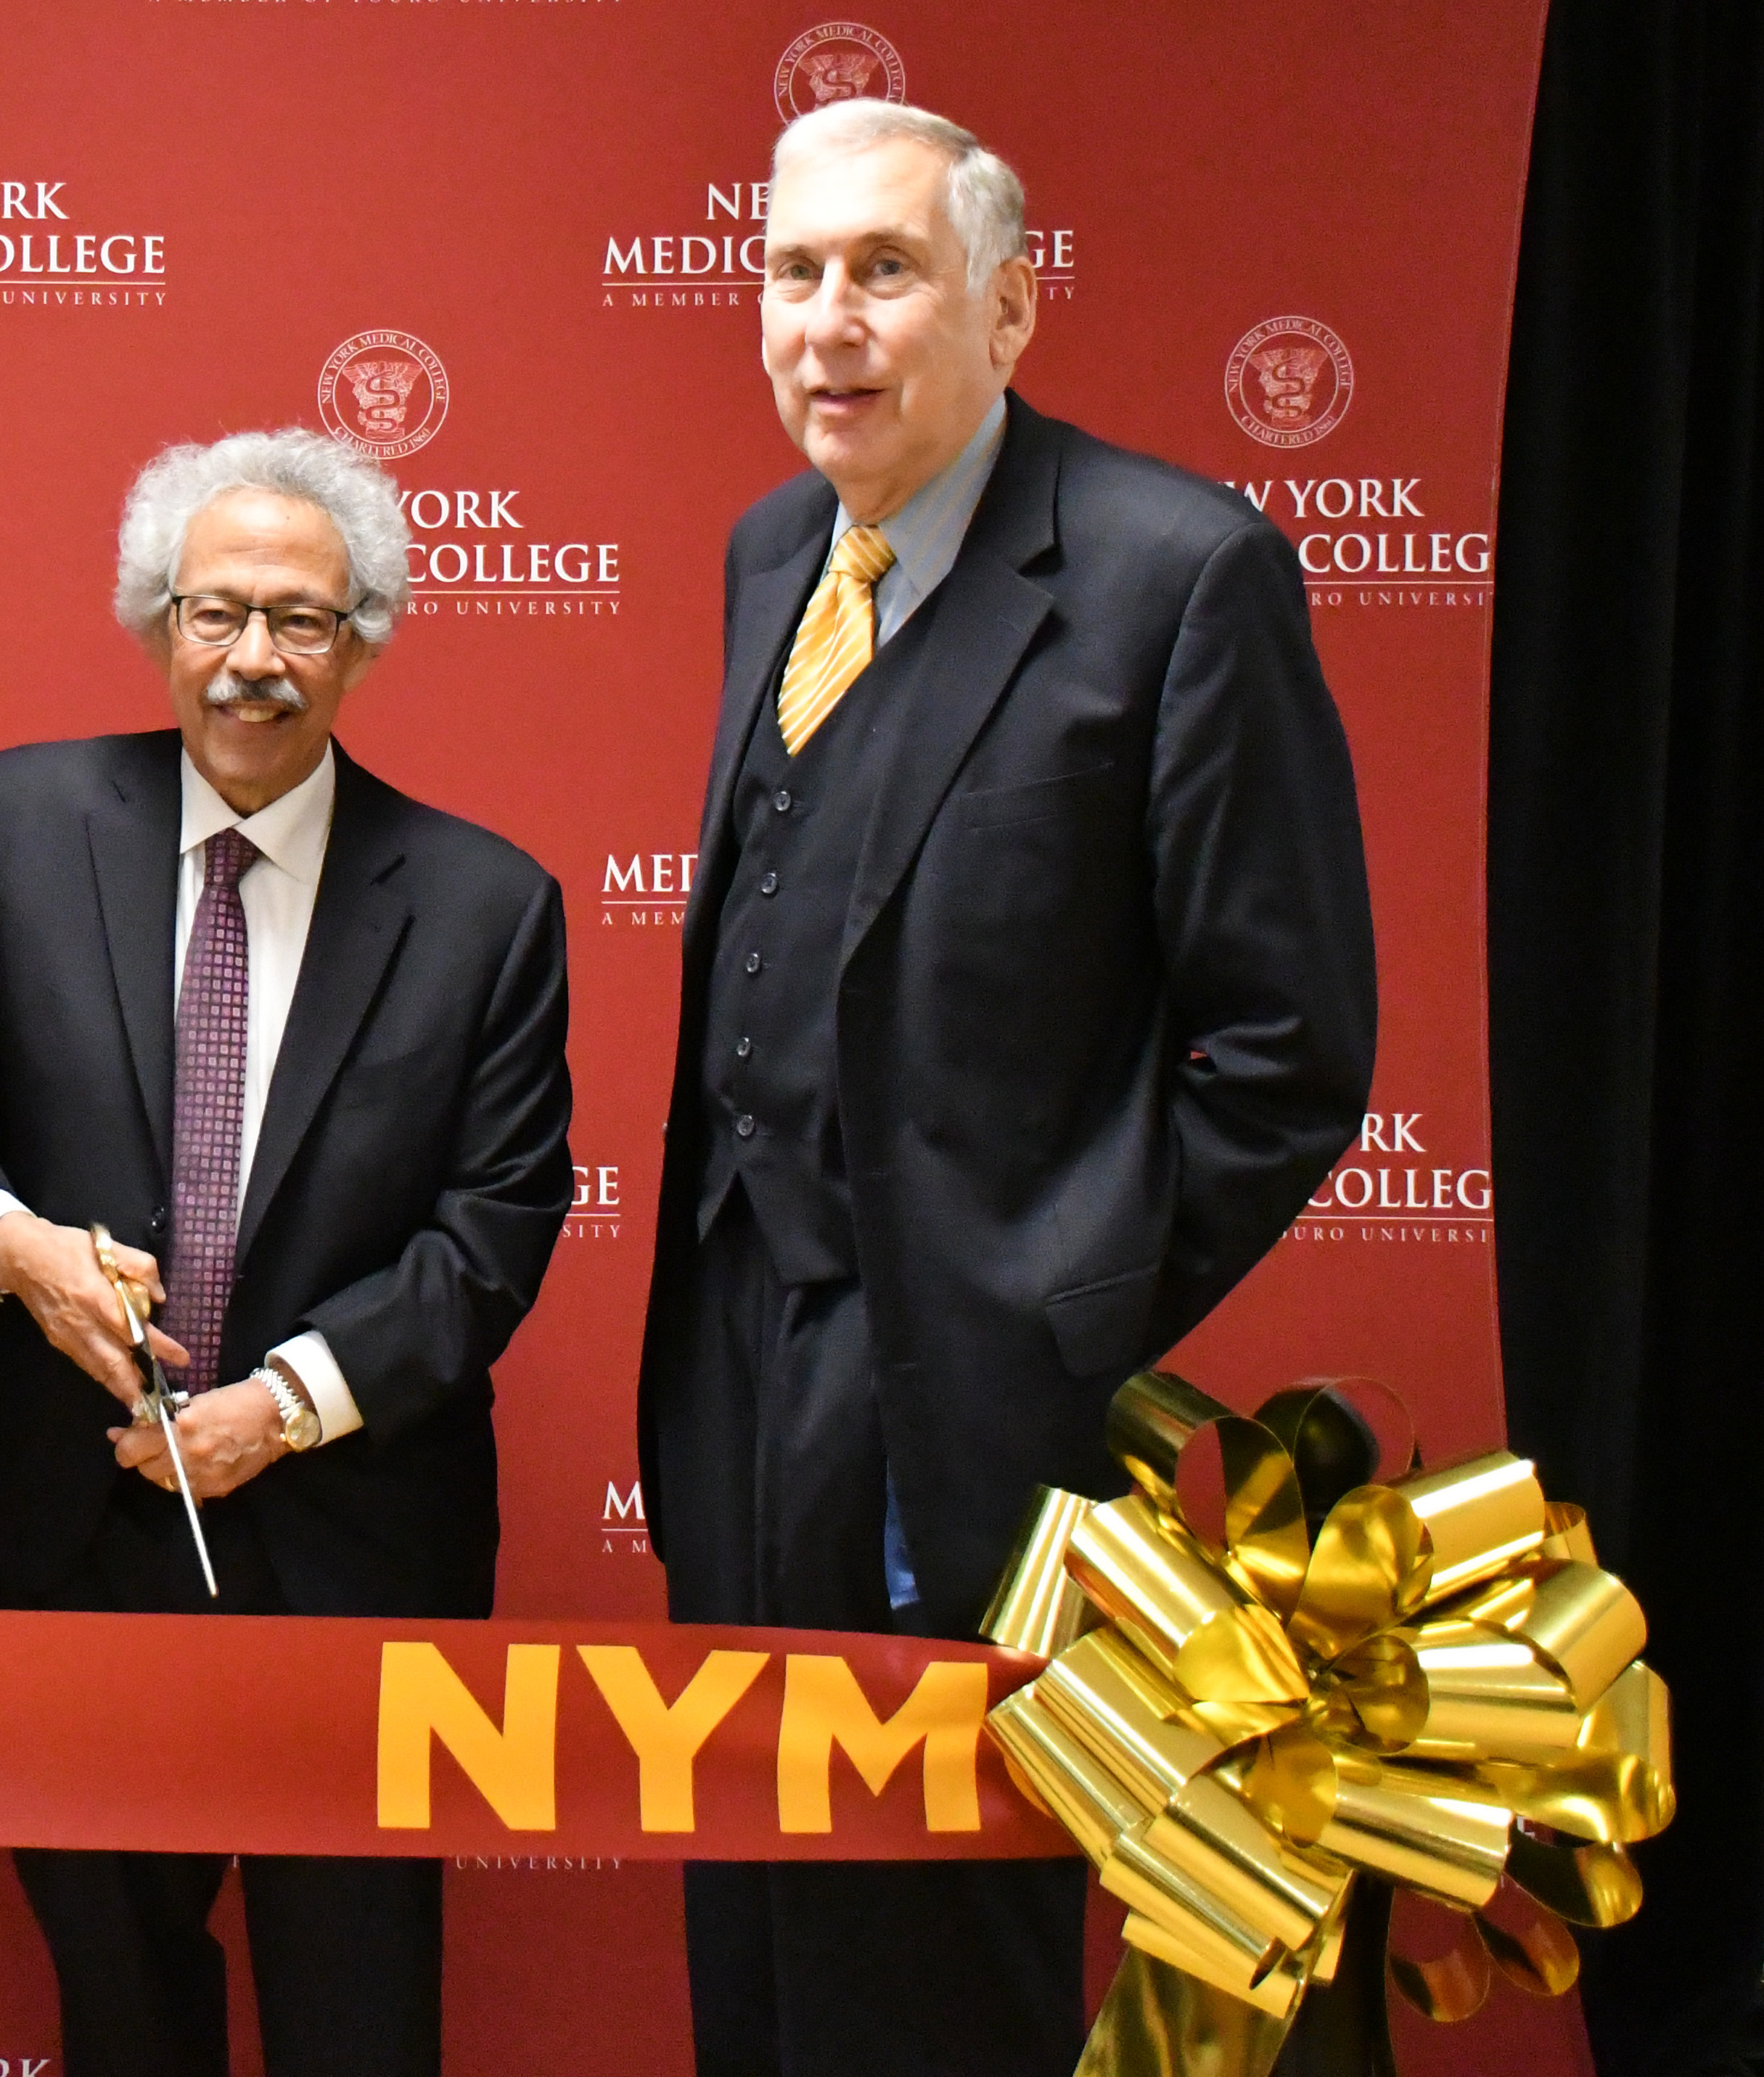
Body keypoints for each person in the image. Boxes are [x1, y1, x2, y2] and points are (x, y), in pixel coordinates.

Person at [633, 99, 1378, 2076]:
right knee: (756, 1914)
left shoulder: (1177, 575)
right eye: (792, 273)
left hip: (966, 1402)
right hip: (729, 1366)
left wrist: (1058, 1316)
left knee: (929, 1957)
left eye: (884, 270)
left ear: (1011, 304)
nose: (828, 321)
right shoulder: (773, 548)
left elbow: (1291, 1051)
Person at [0, 428, 575, 2077]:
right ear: (155, 618)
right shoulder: (18, 821)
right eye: (215, 615)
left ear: (362, 640)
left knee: (356, 2015)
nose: (253, 661)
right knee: (118, 2012)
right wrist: (15, 1257)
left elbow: (493, 1228)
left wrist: (283, 1404)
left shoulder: (488, 904)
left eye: (301, 621)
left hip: (353, 1534)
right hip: (75, 1518)